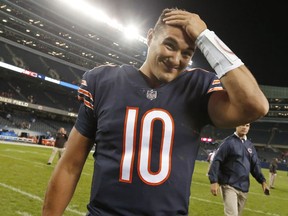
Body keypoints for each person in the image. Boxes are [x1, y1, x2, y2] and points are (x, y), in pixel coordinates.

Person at [42, 8, 269, 216]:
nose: (176, 59)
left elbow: (256, 105)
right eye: (169, 45)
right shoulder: (103, 81)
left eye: (187, 53)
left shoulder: (198, 88)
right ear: (150, 37)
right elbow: (70, 166)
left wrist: (206, 37)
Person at [208, 123, 269, 216]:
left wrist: (263, 181)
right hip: (229, 185)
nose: (244, 127)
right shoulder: (228, 142)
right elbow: (217, 160)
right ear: (236, 125)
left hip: (244, 188)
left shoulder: (250, 145)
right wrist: (214, 181)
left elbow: (255, 165)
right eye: (242, 125)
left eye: (247, 125)